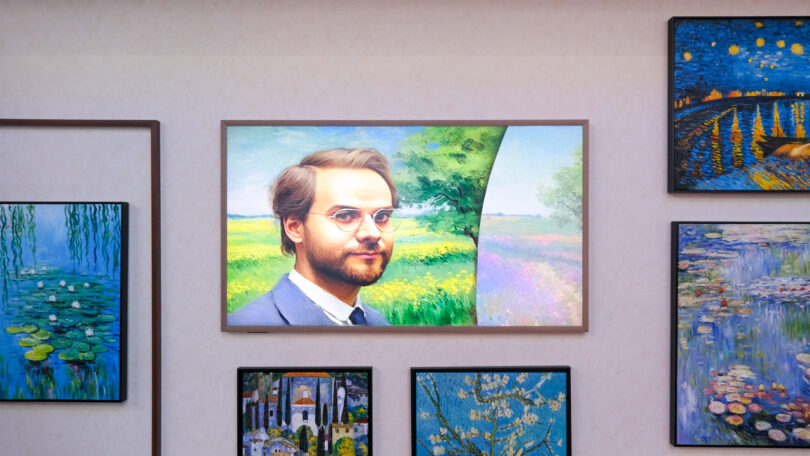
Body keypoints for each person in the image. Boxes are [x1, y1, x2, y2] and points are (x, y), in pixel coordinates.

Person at [228, 148, 397, 326]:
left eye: (382, 216)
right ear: (295, 228)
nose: (373, 233)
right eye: (345, 216)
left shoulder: (378, 322)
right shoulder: (248, 326)